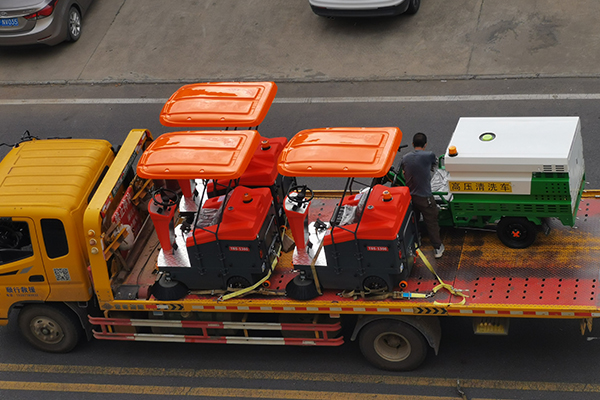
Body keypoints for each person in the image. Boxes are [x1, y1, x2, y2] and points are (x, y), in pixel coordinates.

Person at [401, 132, 444, 258]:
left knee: (413, 220)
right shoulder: (429, 155)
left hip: (410, 197)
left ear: (413, 144)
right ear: (425, 145)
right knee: (431, 221)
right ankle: (437, 248)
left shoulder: (405, 157)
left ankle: (416, 242)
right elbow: (434, 165)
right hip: (425, 197)